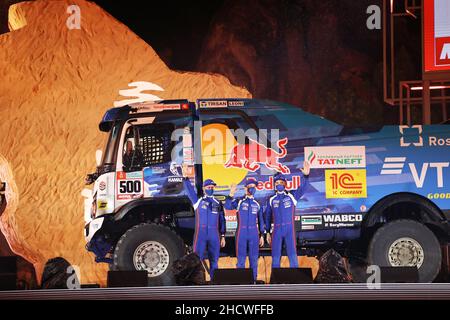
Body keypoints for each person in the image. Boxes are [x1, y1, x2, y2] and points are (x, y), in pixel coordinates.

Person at [265, 161, 310, 268]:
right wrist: (267, 232)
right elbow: (267, 217)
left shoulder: (292, 195)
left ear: (285, 184)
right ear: (274, 185)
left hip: (290, 230)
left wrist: (306, 176)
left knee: (292, 255)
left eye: (281, 183)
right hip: (276, 231)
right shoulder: (271, 199)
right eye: (277, 183)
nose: (279, 184)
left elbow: (303, 188)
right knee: (275, 256)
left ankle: (295, 280)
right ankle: (275, 281)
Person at [183, 177, 226, 279]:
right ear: (203, 188)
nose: (210, 188)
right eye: (208, 187)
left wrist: (223, 235)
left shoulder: (218, 203)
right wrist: (185, 179)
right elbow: (189, 190)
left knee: (214, 260)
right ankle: (197, 282)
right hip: (200, 233)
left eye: (212, 187)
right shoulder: (198, 201)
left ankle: (214, 282)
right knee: (197, 259)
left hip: (214, 234)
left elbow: (222, 220)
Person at [225, 177, 265, 282]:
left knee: (254, 260)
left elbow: (261, 220)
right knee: (241, 260)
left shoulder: (258, 204)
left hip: (254, 234)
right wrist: (231, 194)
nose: (252, 188)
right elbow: (227, 206)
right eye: (250, 186)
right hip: (241, 233)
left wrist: (262, 235)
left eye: (254, 187)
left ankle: (253, 282)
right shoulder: (239, 201)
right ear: (245, 188)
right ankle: (241, 282)